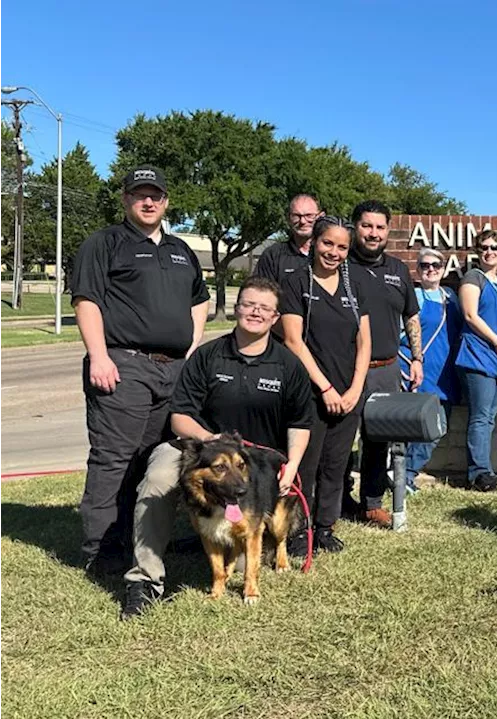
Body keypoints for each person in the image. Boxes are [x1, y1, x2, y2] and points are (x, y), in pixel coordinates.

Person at [120, 278, 313, 619]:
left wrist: (293, 464)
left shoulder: (288, 365)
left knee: (239, 563)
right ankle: (145, 580)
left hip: (253, 461)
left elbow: (300, 422)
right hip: (200, 450)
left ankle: (225, 546)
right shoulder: (208, 356)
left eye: (264, 308)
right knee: (158, 478)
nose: (255, 312)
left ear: (275, 318)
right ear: (236, 308)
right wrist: (208, 439)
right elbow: (179, 417)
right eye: (248, 304)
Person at [70, 165, 210, 577]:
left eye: (156, 195)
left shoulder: (182, 249)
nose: (148, 201)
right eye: (139, 194)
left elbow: (198, 299)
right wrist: (99, 355)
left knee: (154, 460)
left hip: (173, 371)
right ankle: (102, 549)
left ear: (166, 201)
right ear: (125, 199)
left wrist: (190, 346)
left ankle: (144, 540)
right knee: (114, 460)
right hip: (123, 365)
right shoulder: (105, 243)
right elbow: (87, 300)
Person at [279, 215, 371, 553]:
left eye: (342, 246)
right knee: (306, 465)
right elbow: (292, 341)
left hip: (348, 394)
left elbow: (364, 343)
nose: (333, 252)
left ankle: (325, 527)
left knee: (336, 464)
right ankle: (298, 532)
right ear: (314, 242)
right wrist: (325, 388)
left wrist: (355, 388)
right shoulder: (296, 283)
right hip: (309, 393)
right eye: (327, 243)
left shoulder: (354, 285)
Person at [347, 200, 422, 528]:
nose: (373, 233)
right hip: (345, 370)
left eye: (379, 227)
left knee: (377, 440)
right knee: (339, 439)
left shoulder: (398, 270)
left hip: (387, 368)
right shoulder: (340, 265)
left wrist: (417, 358)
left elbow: (411, 315)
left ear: (388, 230)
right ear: (355, 227)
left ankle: (371, 503)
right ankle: (332, 502)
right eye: (366, 225)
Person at [398, 247, 461, 490]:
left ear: (443, 269)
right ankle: (402, 476)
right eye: (425, 265)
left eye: (436, 265)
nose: (430, 270)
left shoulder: (451, 297)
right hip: (416, 372)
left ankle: (408, 472)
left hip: (444, 373)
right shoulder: (413, 296)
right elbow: (397, 334)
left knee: (438, 426)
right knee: (409, 426)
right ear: (418, 269)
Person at [456, 229, 497, 491]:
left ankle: (485, 469)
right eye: (484, 248)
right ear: (478, 252)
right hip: (478, 354)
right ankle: (477, 473)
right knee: (479, 417)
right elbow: (470, 315)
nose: (489, 252)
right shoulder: (473, 277)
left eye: (494, 247)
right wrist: (496, 341)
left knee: (489, 417)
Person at [253, 194, 321, 287]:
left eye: (309, 215)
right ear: (288, 218)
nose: (302, 221)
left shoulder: (331, 255)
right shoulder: (273, 255)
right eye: (296, 216)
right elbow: (259, 292)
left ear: (320, 216)